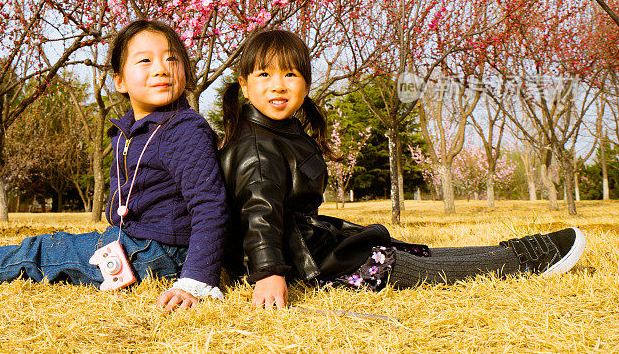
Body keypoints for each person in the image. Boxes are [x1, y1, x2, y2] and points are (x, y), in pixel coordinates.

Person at [218, 29, 586, 309]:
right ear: (245, 85)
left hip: (313, 248)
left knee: (413, 254)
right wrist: (268, 274)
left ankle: (519, 252)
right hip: (302, 262)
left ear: (307, 84)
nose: (278, 86)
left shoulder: (279, 129)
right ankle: (521, 262)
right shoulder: (256, 146)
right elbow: (259, 213)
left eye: (290, 75)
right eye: (264, 75)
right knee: (405, 267)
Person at [0, 20, 228, 312]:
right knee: (52, 246)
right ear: (120, 81)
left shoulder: (184, 130)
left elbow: (209, 205)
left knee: (41, 253)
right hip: (140, 243)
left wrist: (196, 280)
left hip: (160, 255)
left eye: (172, 58)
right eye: (145, 60)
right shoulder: (136, 128)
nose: (161, 68)